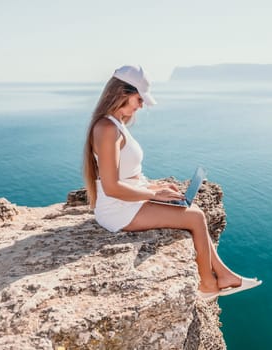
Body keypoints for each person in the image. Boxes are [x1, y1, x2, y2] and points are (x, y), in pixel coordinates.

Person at [83, 65, 261, 300]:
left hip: (127, 202)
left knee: (192, 209)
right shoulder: (107, 128)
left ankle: (224, 275)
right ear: (122, 93)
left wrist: (157, 187)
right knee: (195, 217)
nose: (141, 105)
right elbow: (112, 187)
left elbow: (128, 176)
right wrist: (154, 195)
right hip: (118, 210)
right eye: (139, 98)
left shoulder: (115, 125)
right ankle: (207, 285)